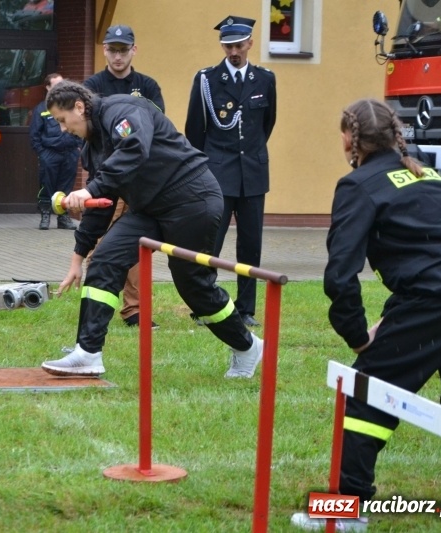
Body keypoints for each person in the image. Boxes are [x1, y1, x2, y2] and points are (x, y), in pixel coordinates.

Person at [290, 99, 441, 532]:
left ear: (351, 139)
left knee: (364, 393)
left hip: (435, 298)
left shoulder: (357, 185)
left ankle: (345, 511)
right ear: (395, 135)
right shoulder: (422, 170)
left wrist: (357, 337)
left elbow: (339, 276)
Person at [39, 81, 262, 378]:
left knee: (194, 287)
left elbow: (134, 148)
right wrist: (78, 257)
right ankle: (88, 353)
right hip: (150, 209)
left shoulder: (123, 111)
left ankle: (247, 347)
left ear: (79, 107)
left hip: (191, 198)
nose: (64, 129)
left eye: (62, 120)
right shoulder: (93, 149)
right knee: (105, 259)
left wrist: (90, 189)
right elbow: (102, 203)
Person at [185, 15, 277, 328]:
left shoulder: (265, 79)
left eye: (238, 45)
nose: (233, 51)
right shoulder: (207, 80)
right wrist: (200, 171)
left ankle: (246, 308)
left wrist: (250, 153)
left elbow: (266, 124)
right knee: (210, 242)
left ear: (250, 43)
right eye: (227, 46)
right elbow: (195, 130)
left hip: (252, 173)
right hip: (217, 174)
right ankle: (206, 305)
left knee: (250, 244)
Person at [84, 24, 164, 329]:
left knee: (138, 244)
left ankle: (135, 310)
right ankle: (97, 299)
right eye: (113, 49)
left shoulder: (147, 85)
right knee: (101, 243)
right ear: (104, 50)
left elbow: (155, 127)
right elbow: (90, 132)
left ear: (134, 50)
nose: (118, 56)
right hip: (104, 178)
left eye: (123, 49)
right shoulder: (91, 85)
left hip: (138, 180)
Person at [29, 73, 81, 231]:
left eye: (62, 84)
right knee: (47, 185)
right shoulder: (41, 109)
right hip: (50, 153)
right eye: (56, 85)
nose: (60, 88)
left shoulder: (71, 106)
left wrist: (78, 146)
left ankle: (63, 218)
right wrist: (42, 153)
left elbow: (80, 126)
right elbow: (34, 135)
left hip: (70, 152)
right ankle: (45, 216)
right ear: (48, 87)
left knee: (66, 186)